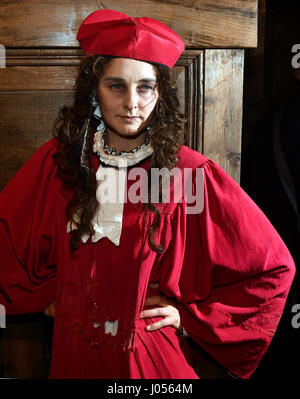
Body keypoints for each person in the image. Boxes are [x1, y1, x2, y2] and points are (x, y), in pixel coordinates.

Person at [0, 9, 296, 379]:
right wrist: (46, 299)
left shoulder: (188, 174)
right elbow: (8, 241)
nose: (132, 102)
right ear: (94, 89)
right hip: (73, 359)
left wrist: (189, 319)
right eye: (116, 85)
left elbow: (271, 267)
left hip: (149, 363)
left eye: (145, 87)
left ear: (161, 94)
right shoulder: (60, 164)